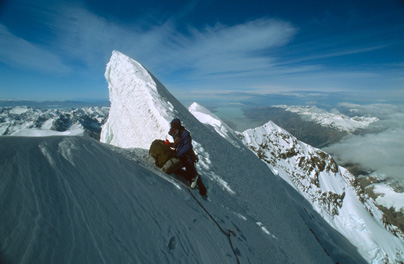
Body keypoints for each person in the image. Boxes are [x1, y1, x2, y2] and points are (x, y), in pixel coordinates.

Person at [163, 118, 207, 197]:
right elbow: (177, 144)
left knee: (192, 171)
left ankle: (203, 190)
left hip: (188, 157)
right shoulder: (177, 134)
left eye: (174, 127)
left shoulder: (185, 134)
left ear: (177, 127)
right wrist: (169, 144)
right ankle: (193, 179)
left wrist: (179, 153)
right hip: (182, 156)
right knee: (181, 171)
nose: (173, 129)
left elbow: (187, 146)